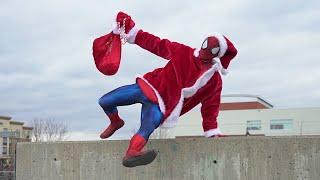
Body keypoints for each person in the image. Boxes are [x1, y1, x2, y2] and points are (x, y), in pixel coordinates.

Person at [96, 11, 238, 167]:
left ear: (217, 54)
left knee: (145, 129)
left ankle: (133, 153)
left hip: (162, 106)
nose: (206, 49)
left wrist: (211, 130)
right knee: (105, 101)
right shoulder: (184, 52)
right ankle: (116, 122)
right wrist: (133, 32)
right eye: (206, 44)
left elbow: (211, 105)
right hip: (149, 87)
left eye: (213, 49)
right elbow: (157, 44)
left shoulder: (213, 79)